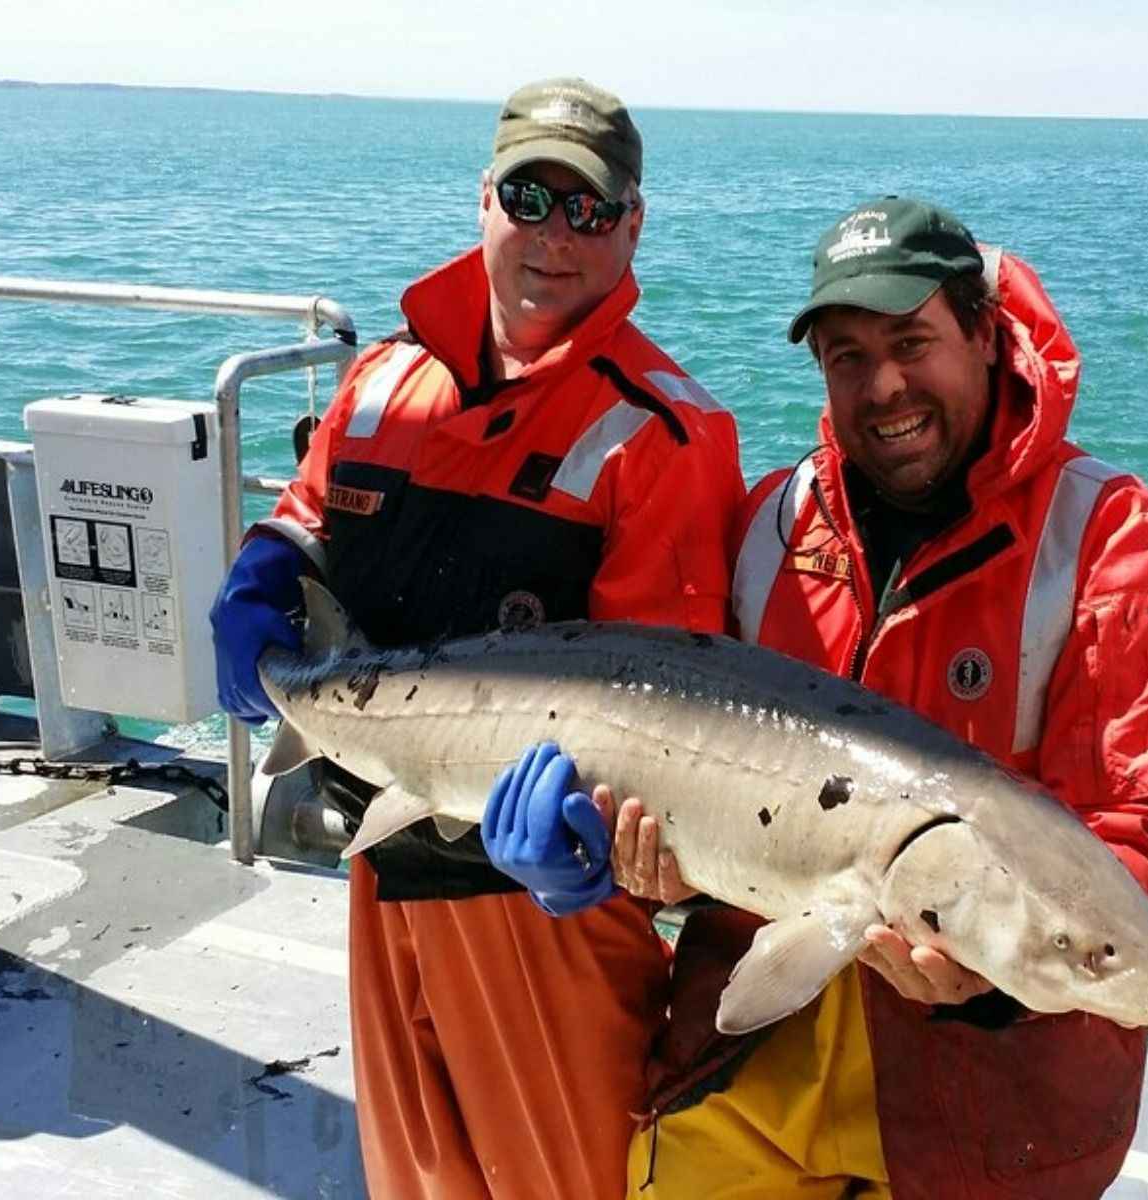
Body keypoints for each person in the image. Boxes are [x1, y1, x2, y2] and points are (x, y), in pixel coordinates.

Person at [590, 197, 1148, 1198]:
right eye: (846, 356)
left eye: (910, 342)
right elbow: (663, 756)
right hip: (747, 1051)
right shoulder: (766, 524)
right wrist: (653, 869)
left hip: (987, 1107)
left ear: (981, 333)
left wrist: (989, 991)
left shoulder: (1107, 541)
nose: (883, 385)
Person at [207, 77, 744, 1200]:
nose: (555, 234)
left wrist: (592, 851)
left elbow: (672, 711)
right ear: (483, 203)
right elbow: (309, 512)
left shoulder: (665, 434)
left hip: (540, 915)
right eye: (529, 196)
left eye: (588, 209)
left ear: (632, 225)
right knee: (413, 1183)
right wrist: (266, 565)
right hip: (379, 856)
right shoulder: (380, 377)